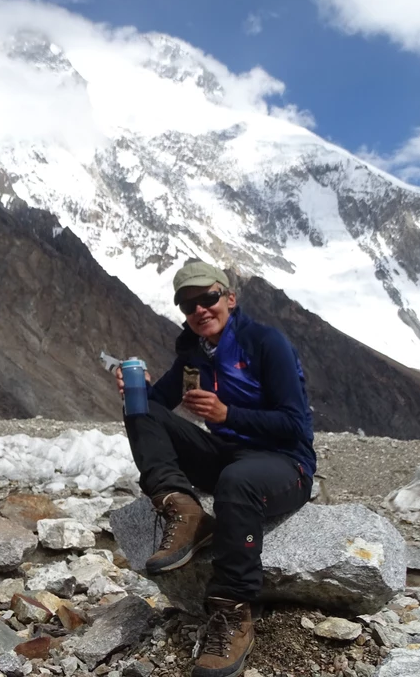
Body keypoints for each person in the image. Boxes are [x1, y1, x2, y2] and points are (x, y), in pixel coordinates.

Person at [115, 259, 316, 677]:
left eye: (208, 298)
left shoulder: (265, 343)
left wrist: (228, 415)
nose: (200, 310)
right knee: (140, 413)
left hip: (284, 462)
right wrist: (139, 389)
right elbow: (157, 408)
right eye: (189, 305)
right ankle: (184, 510)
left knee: (237, 482)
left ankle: (233, 613)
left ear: (229, 297)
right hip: (227, 455)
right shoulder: (193, 355)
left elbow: (295, 424)